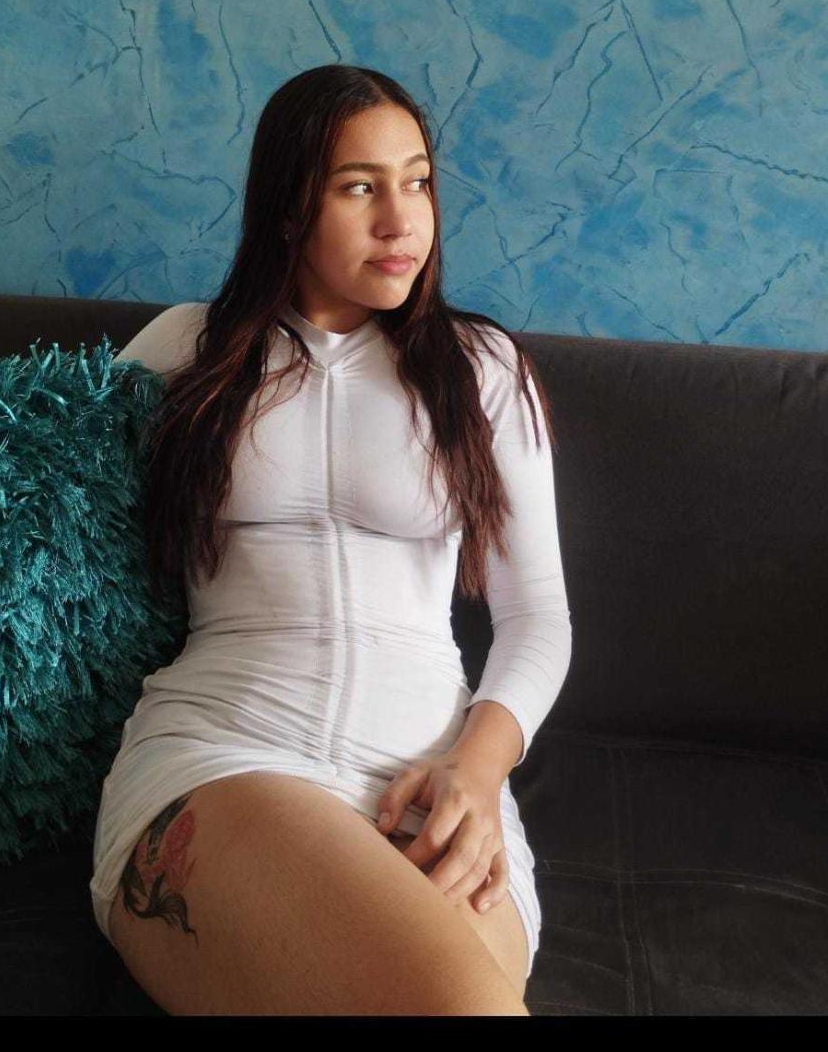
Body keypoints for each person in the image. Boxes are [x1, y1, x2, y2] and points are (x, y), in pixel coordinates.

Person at [90, 65, 572, 1015]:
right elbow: (20, 457)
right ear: (286, 210)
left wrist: (476, 773)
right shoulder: (187, 350)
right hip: (231, 754)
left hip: (431, 777)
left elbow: (538, 616)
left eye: (417, 182)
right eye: (359, 188)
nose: (400, 220)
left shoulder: (482, 369)